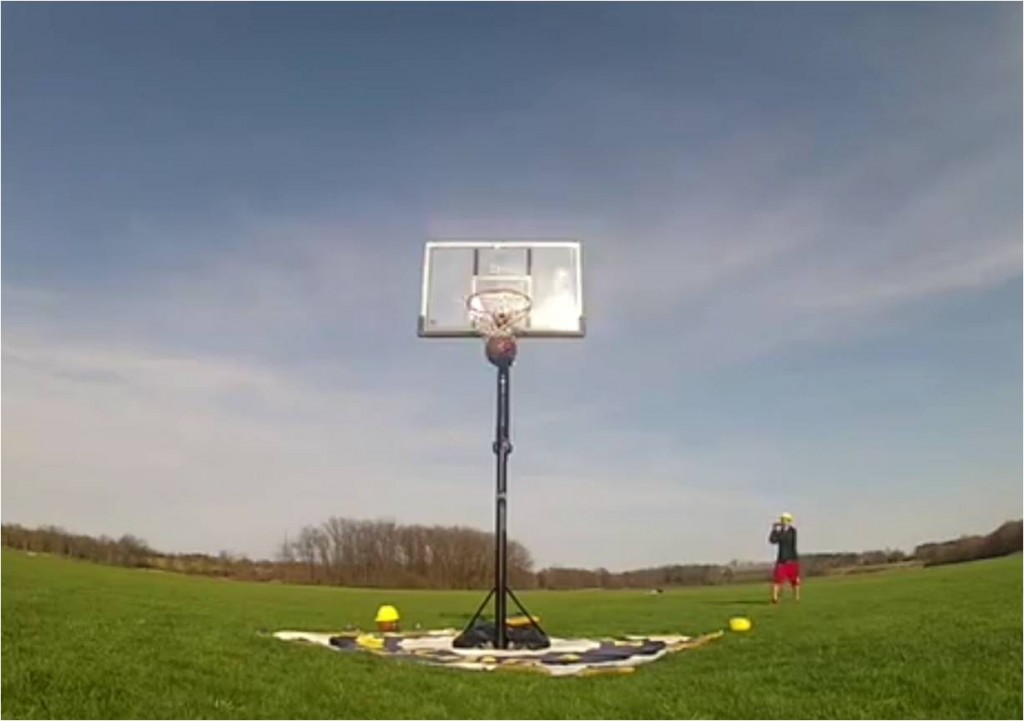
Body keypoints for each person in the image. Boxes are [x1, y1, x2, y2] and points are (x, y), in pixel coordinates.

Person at [769, 512, 800, 604]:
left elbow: (784, 538)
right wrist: (774, 530)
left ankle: (796, 597)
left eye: (785, 520)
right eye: (782, 520)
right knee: (777, 580)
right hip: (781, 560)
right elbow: (772, 540)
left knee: (795, 580)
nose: (783, 522)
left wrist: (779, 532)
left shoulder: (793, 531)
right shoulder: (779, 532)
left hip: (792, 559)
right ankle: (774, 598)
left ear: (789, 521)